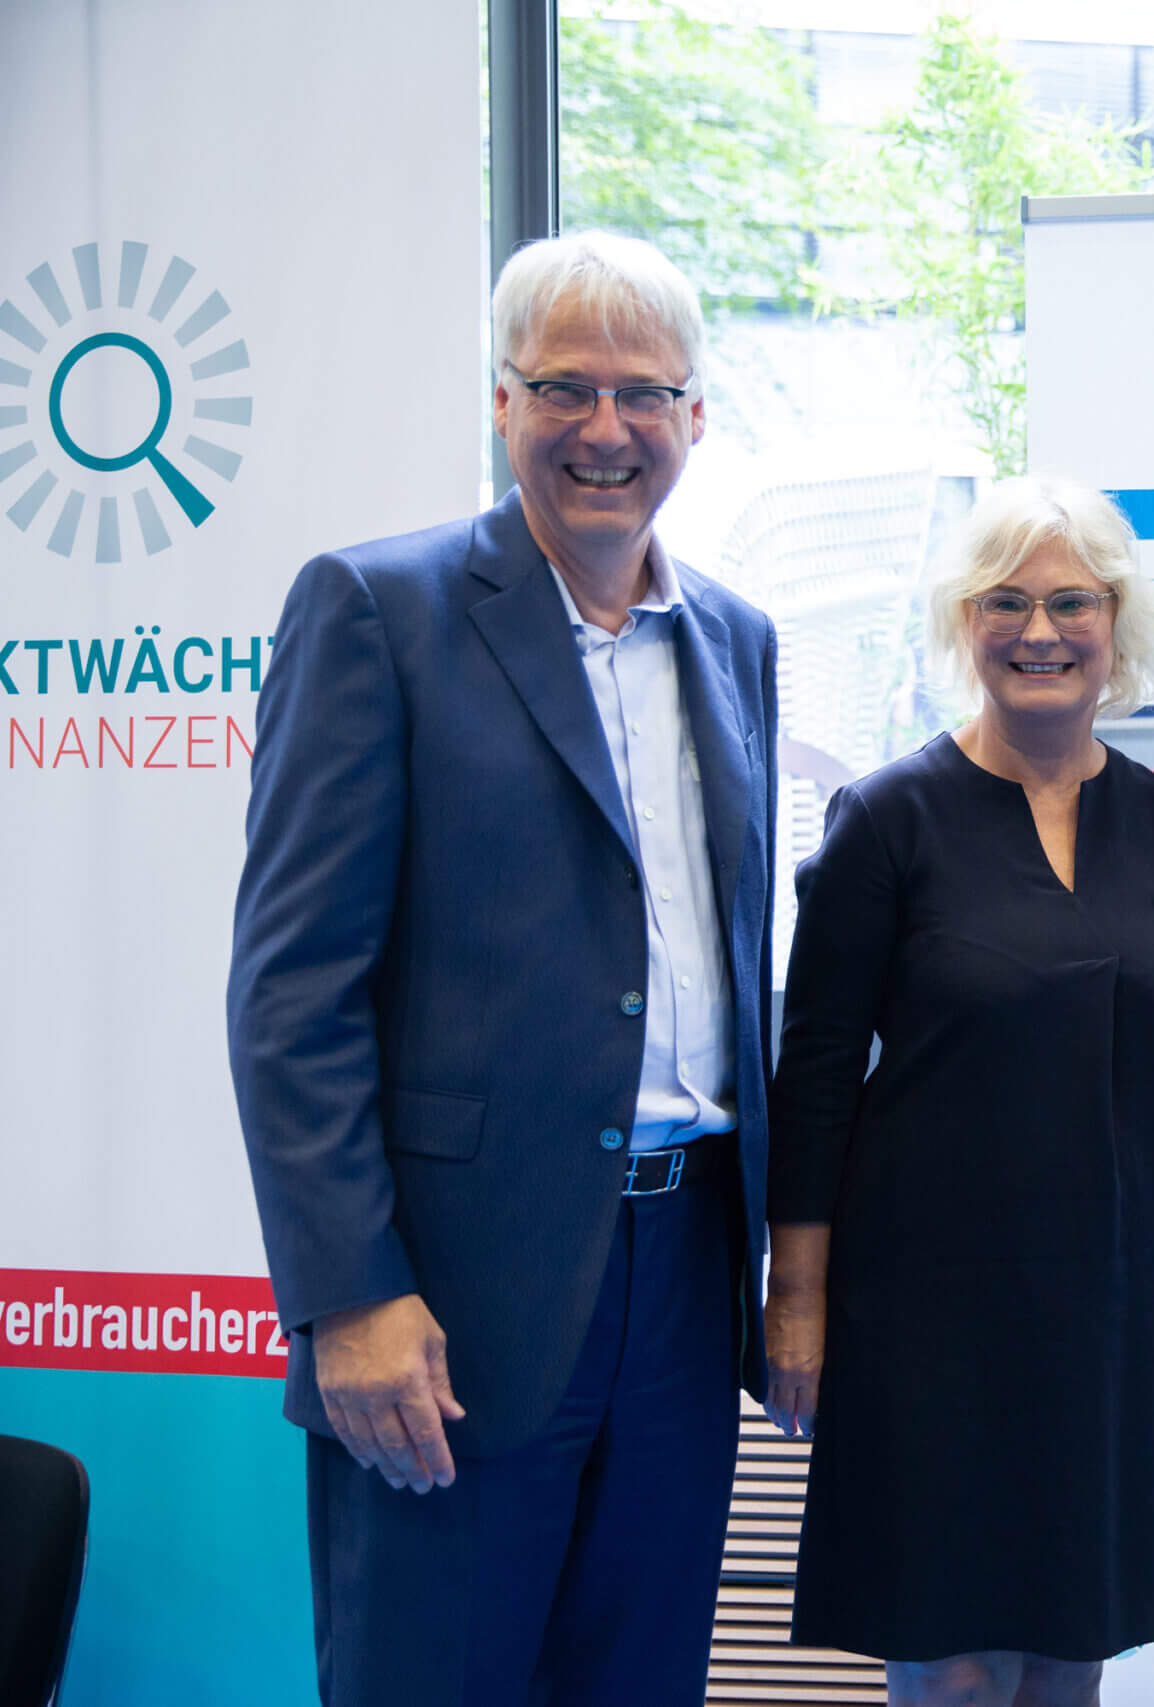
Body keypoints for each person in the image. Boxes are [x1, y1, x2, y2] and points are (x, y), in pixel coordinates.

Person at [226, 231, 778, 1706]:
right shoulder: (376, 611)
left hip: (685, 1278)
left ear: (695, 415)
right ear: (501, 402)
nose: (607, 429)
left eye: (644, 394)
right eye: (564, 388)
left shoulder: (737, 639)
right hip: (455, 1292)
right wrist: (349, 1294)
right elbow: (292, 993)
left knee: (639, 1680)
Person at [761, 475, 1154, 1707]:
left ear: (1117, 622)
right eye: (1006, 602)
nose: (1040, 631)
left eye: (1071, 602)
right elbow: (814, 1081)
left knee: (1073, 1652)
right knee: (956, 1663)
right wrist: (797, 1302)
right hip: (926, 1313)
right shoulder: (886, 820)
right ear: (964, 622)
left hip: (1117, 1303)